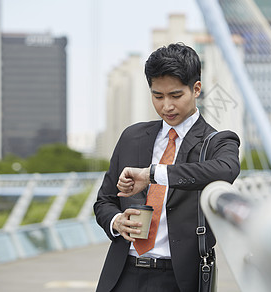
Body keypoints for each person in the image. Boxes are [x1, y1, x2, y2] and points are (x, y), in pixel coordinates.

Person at [94, 43, 240, 292]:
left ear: (196, 89)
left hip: (178, 278)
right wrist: (117, 221)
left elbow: (226, 169)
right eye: (157, 96)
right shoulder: (132, 137)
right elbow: (104, 201)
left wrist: (152, 174)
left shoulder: (217, 141)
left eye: (175, 96)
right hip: (122, 274)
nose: (166, 107)